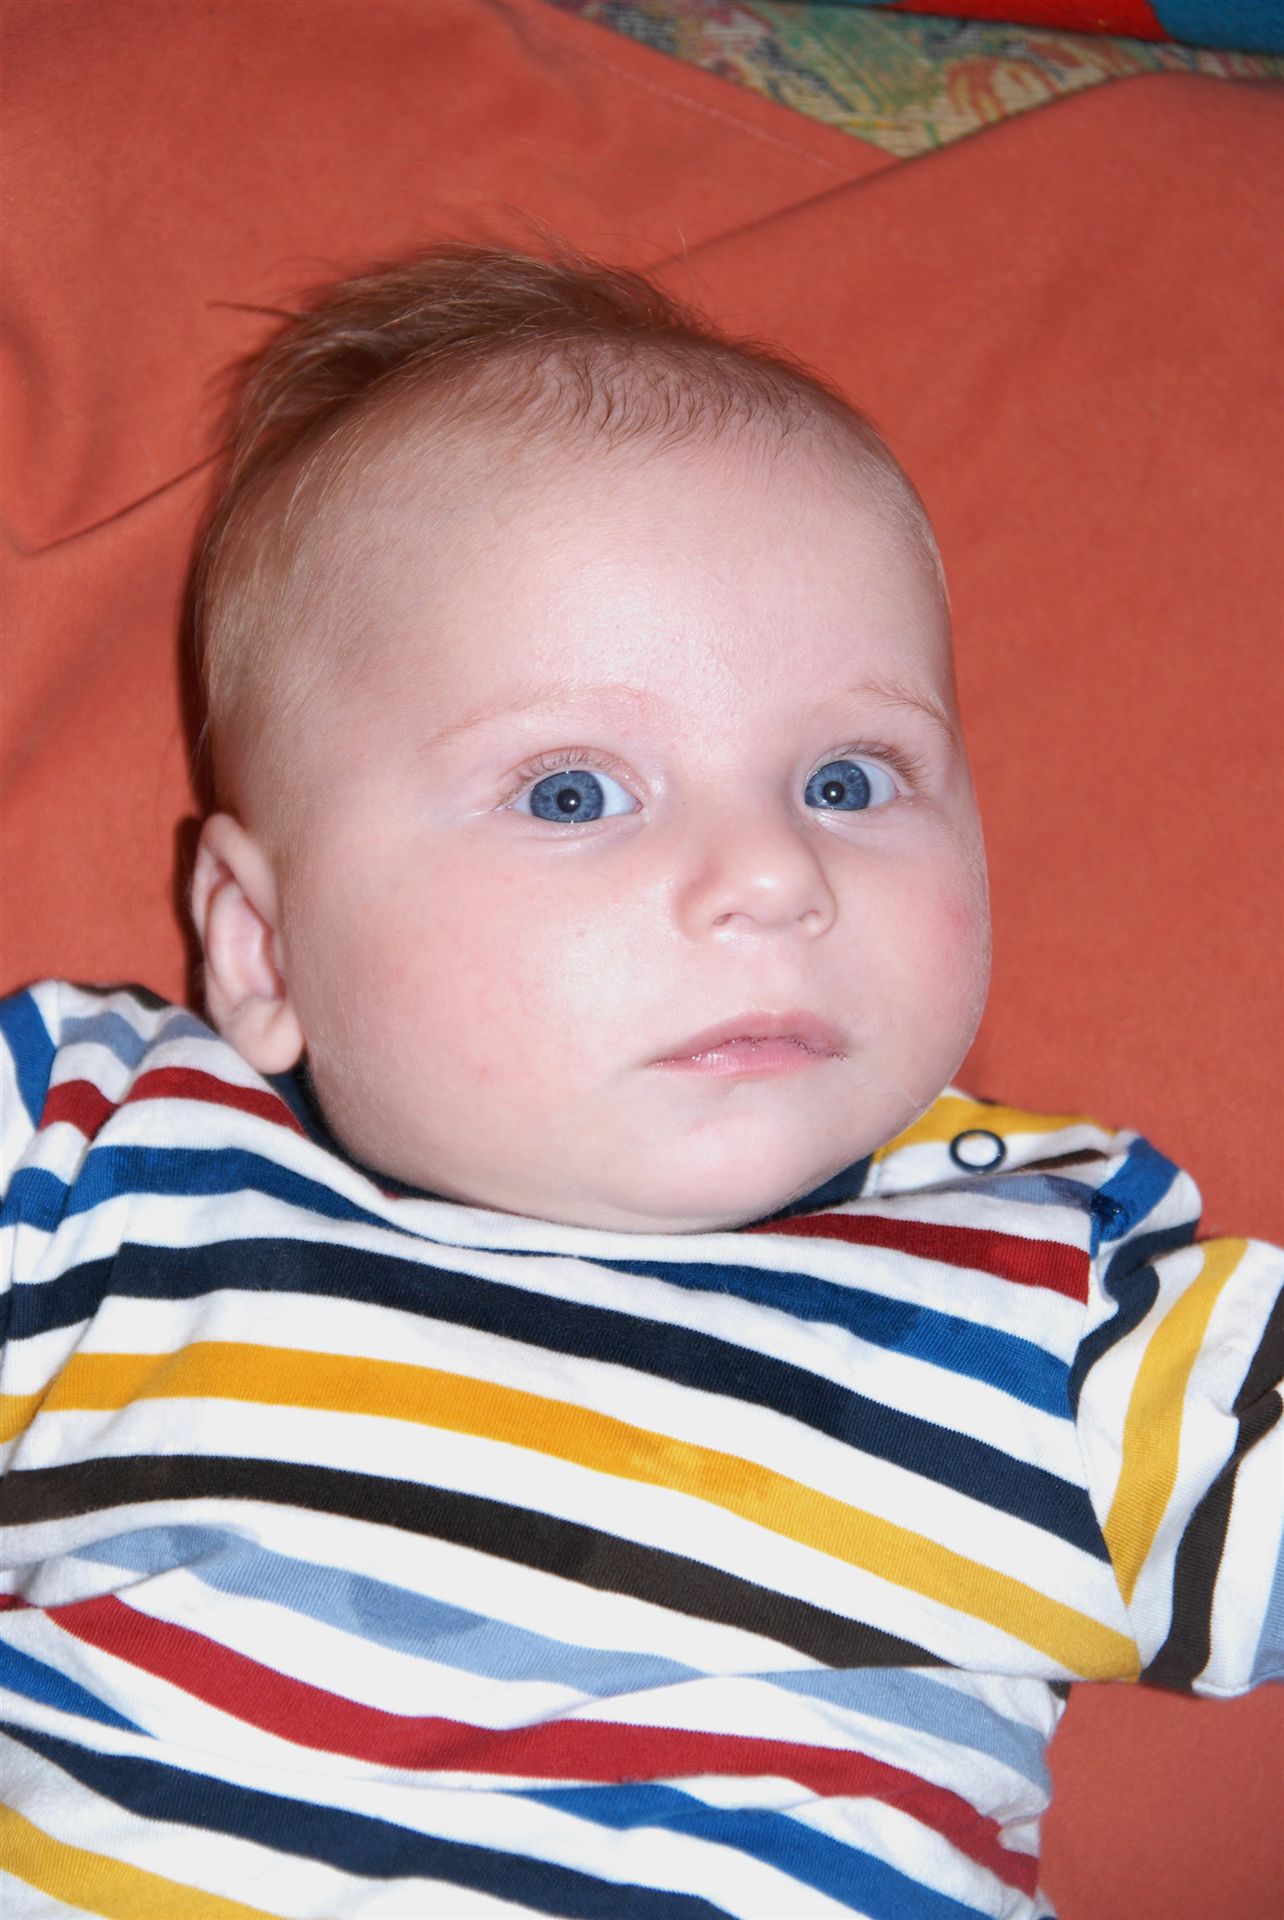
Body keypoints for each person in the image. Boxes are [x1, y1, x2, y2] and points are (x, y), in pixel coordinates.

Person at [2, 246, 1278, 1920]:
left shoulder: (1065, 1312)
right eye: (573, 794)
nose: (773, 873)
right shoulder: (102, 1160)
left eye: (848, 778)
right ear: (263, 947)